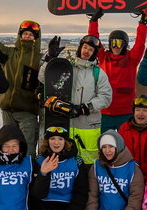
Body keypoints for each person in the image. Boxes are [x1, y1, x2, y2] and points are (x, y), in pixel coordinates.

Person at [0, 0, 42, 150]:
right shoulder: (9, 54)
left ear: (36, 38)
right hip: (7, 111)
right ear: (20, 35)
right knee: (8, 148)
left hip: (28, 112)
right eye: (24, 33)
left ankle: (29, 173)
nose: (27, 36)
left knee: (27, 148)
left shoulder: (39, 60)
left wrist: (52, 57)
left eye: (31, 34)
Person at [46, 33, 111, 164]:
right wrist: (51, 58)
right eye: (85, 47)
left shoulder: (98, 73)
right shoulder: (67, 67)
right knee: (65, 162)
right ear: (80, 47)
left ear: (94, 53)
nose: (87, 51)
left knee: (88, 162)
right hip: (65, 124)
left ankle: (87, 184)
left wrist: (85, 108)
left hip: (88, 126)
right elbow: (44, 78)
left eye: (91, 50)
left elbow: (106, 97)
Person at [85, 7, 147, 131]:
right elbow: (94, 40)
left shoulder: (132, 59)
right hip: (104, 111)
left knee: (124, 144)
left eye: (120, 43)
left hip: (124, 112)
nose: (116, 46)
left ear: (125, 44)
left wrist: (143, 22)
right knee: (103, 144)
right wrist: (93, 21)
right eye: (113, 43)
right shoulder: (103, 57)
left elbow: (140, 43)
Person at [83, 130, 144, 210]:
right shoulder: (96, 166)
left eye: (111, 146)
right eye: (104, 147)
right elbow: (93, 195)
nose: (107, 150)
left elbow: (136, 198)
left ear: (118, 146)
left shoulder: (132, 168)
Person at [29, 127, 90, 210]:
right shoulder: (39, 160)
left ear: (66, 141)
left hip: (68, 206)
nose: (56, 143)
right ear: (47, 141)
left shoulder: (76, 161)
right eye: (52, 138)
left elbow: (81, 193)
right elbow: (34, 193)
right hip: (47, 207)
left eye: (60, 139)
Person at [117, 95, 147, 182]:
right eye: (137, 110)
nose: (140, 113)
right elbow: (117, 153)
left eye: (145, 110)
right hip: (128, 178)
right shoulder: (124, 129)